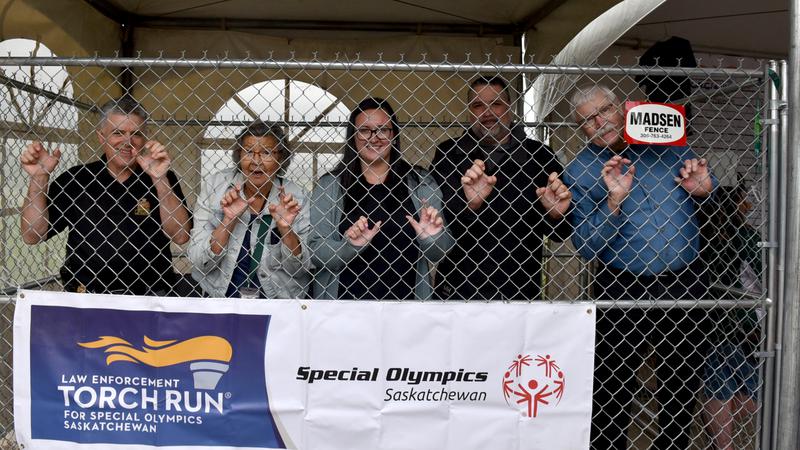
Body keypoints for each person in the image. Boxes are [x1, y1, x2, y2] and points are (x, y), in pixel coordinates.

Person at [563, 84, 717, 450]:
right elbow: (586, 246)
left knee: (681, 384)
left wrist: (704, 192)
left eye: (605, 110)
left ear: (621, 108)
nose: (600, 122)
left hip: (685, 280)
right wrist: (614, 201)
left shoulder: (670, 147)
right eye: (588, 120)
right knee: (612, 386)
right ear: (581, 130)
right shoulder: (580, 170)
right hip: (622, 284)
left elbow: (707, 208)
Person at [20, 96, 191, 295]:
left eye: (136, 134)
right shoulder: (77, 179)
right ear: (101, 137)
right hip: (86, 295)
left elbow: (180, 236)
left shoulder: (162, 177)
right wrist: (39, 178)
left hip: (150, 294)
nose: (127, 142)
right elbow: (32, 235)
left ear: (145, 139)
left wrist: (159, 180)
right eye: (118, 133)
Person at [430, 75, 572, 301]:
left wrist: (556, 215)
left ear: (510, 108)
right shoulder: (449, 153)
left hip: (519, 289)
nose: (487, 112)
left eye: (496, 103)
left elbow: (560, 233)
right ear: (469, 112)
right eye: (478, 105)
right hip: (459, 288)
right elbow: (439, 225)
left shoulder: (539, 156)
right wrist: (470, 205)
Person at [309, 97, 453, 300]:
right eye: (364, 130)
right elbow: (316, 252)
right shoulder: (330, 185)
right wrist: (349, 247)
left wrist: (431, 239)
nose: (374, 138)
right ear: (353, 136)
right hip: (343, 308)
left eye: (382, 130)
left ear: (394, 135)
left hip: (406, 308)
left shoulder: (421, 182)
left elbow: (441, 252)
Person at [188, 121, 311, 298]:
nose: (256, 161)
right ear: (239, 155)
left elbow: (299, 269)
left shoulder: (297, 197)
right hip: (220, 299)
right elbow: (199, 262)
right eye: (248, 151)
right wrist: (228, 221)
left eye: (267, 152)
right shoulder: (215, 187)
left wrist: (286, 229)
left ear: (281, 158)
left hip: (277, 302)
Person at [700, 186, 761, 450]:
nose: (749, 206)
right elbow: (763, 276)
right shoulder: (746, 238)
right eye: (744, 201)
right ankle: (724, 440)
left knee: (720, 385)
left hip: (712, 322)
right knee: (747, 389)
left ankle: (721, 441)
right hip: (743, 324)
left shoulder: (704, 236)